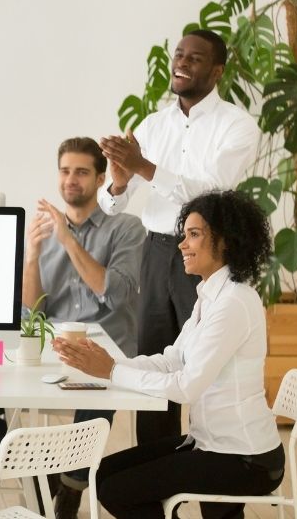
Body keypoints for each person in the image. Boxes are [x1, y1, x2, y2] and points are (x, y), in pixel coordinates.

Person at [0, 136, 143, 519]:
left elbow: (114, 293)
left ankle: (70, 487)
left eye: (82, 172)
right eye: (65, 171)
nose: (71, 180)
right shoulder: (41, 231)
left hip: (106, 351)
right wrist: (31, 257)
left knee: (93, 397)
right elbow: (29, 312)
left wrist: (68, 240)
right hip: (51, 351)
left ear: (101, 179)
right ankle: (43, 474)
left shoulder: (126, 228)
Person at [54, 190, 284, 519]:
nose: (182, 245)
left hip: (245, 458)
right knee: (103, 474)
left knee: (116, 490)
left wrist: (111, 372)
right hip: (209, 443)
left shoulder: (234, 302)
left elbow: (186, 387)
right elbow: (171, 359)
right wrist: (109, 362)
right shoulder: (209, 294)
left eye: (194, 235)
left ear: (226, 241)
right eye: (183, 234)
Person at [98, 29, 261, 444]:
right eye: (179, 55)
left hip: (207, 253)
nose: (182, 63)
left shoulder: (237, 125)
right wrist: (118, 181)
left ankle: (215, 462)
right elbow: (113, 204)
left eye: (195, 58)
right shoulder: (152, 126)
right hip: (155, 253)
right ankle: (154, 469)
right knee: (154, 355)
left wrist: (145, 167)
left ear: (217, 70)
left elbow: (212, 193)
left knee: (208, 365)